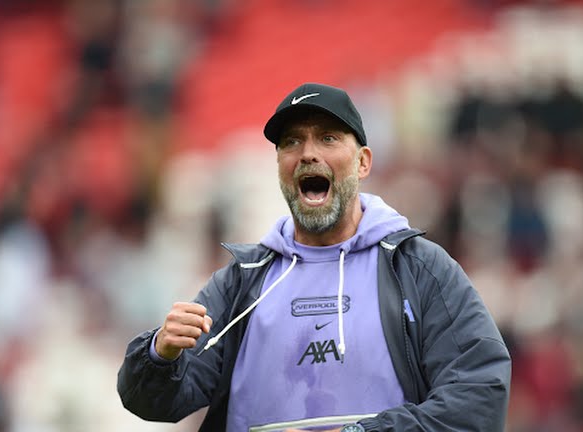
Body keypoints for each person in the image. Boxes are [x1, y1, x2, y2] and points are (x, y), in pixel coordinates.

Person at [117, 83, 511, 432]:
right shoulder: (240, 283)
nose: (307, 154)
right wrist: (159, 354)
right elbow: (152, 403)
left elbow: (479, 396)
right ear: (279, 167)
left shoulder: (419, 269)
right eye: (291, 142)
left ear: (363, 162)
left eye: (327, 138)